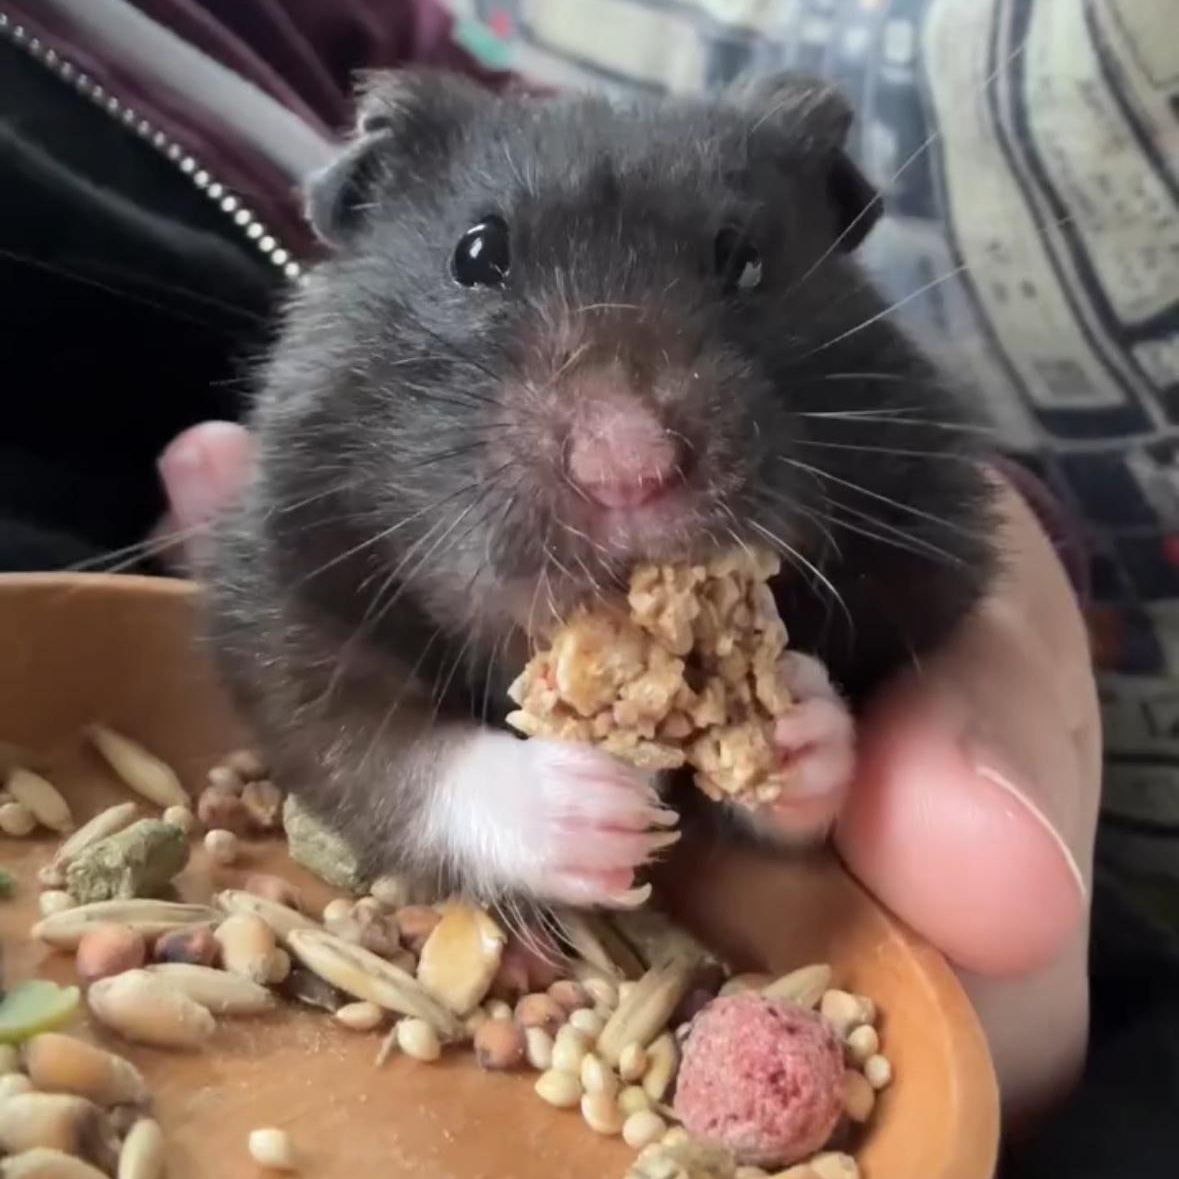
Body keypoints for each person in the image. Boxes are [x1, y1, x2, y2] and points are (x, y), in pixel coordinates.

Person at [1, 2, 1173, 1173]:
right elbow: (307, 652)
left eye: (736, 267)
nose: (630, 457)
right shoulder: (321, 504)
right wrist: (473, 796)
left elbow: (921, 495)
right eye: (483, 264)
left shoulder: (277, 27)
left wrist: (839, 720)